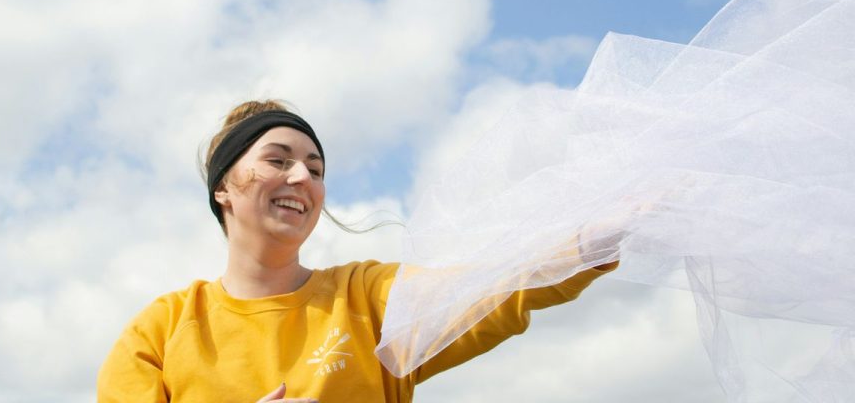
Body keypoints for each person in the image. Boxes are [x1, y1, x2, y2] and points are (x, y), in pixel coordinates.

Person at [97, 100, 617, 403]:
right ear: (223, 189)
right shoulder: (160, 333)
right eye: (277, 160)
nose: (301, 177)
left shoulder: (366, 298)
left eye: (316, 169)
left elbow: (494, 287)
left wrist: (592, 239)